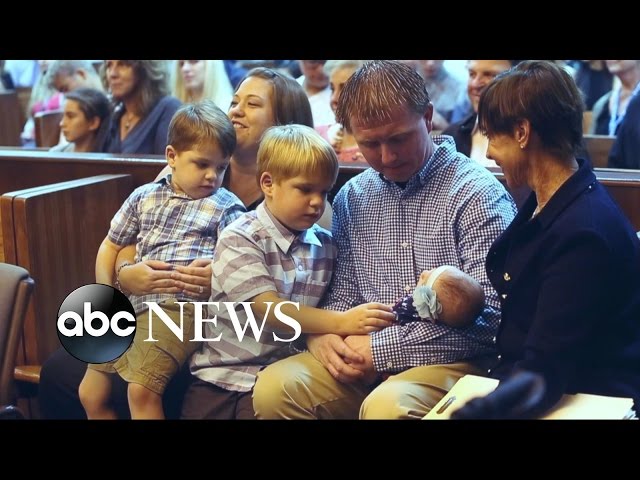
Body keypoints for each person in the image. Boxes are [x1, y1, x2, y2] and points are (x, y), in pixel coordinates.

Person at [38, 67, 317, 419]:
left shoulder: (294, 196)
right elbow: (133, 238)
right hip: (145, 302)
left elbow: (288, 280)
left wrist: (221, 278)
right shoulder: (181, 171)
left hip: (211, 325)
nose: (236, 111)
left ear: (284, 123)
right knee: (62, 370)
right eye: (234, 102)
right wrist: (125, 274)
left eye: (252, 104)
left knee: (141, 382)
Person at [252, 60, 517, 420]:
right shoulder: (353, 196)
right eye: (370, 144)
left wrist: (380, 350)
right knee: (276, 388)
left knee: (389, 405)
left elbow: (495, 319)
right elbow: (341, 293)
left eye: (398, 139)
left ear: (427, 118)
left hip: (455, 360)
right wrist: (322, 338)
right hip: (360, 350)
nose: (387, 156)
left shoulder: (476, 193)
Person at [454, 60, 640, 418]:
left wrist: (477, 411)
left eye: (492, 136)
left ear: (522, 132)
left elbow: (543, 373)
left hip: (590, 398)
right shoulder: (550, 203)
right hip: (539, 385)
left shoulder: (583, 232)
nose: (489, 152)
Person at [184, 124, 395, 419]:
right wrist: (343, 321)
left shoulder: (326, 245)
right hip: (221, 376)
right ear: (268, 184)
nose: (317, 202)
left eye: (324, 191)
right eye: (305, 189)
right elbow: (268, 309)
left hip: (278, 375)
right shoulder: (241, 236)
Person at [78, 100, 245, 419]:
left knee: (141, 390)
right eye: (202, 164)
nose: (212, 176)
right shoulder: (145, 196)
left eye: (221, 167)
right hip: (133, 305)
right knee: (90, 392)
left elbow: (239, 262)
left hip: (183, 310)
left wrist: (215, 273)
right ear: (172, 157)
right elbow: (110, 246)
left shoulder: (226, 207)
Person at [101, 60, 181, 155]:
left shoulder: (168, 109)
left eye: (122, 64)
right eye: (109, 65)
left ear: (144, 69)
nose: (112, 74)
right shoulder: (114, 116)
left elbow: (170, 162)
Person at [393, 265, 484, 329]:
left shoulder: (407, 310)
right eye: (434, 270)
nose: (424, 272)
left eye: (424, 279)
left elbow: (391, 312)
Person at [51, 88, 111, 152]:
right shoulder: (56, 153)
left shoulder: (110, 155)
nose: (62, 123)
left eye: (70, 116)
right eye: (63, 116)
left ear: (93, 123)